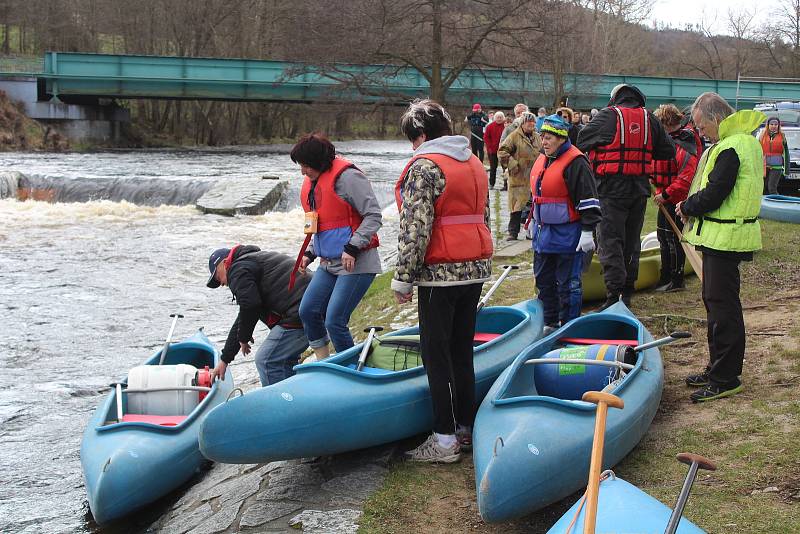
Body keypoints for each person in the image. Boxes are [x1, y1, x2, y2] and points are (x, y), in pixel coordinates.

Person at [393, 99, 493, 463]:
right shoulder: (473, 162)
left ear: (420, 135)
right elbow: (482, 215)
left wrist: (403, 278)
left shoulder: (425, 166)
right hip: (475, 268)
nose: (412, 147)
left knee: (436, 357)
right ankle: (465, 428)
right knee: (461, 352)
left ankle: (444, 440)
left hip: (439, 275)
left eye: (412, 139)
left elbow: (415, 228)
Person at [676, 92, 764, 403]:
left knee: (722, 306)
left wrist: (688, 206)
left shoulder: (732, 146)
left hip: (726, 238)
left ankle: (726, 376)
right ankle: (718, 368)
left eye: (701, 127)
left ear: (715, 118)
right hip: (722, 237)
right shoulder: (739, 142)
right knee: (716, 302)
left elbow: (716, 192)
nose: (700, 133)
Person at [577, 83, 675, 309]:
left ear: (615, 98)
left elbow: (581, 140)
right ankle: (627, 293)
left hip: (610, 190)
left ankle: (613, 296)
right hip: (639, 190)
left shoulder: (607, 116)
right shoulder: (650, 120)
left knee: (610, 242)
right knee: (631, 243)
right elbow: (668, 151)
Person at [291, 133, 383, 361]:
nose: (302, 171)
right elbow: (324, 223)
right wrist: (310, 253)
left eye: (305, 165)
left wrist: (352, 248)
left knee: (334, 320)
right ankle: (324, 361)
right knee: (308, 310)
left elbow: (373, 216)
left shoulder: (349, 178)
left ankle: (348, 367)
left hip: (357, 262)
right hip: (329, 263)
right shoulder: (313, 182)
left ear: (319, 162)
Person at [530, 115, 601, 334]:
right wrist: (530, 218)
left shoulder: (576, 162)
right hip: (543, 233)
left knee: (568, 285)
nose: (544, 141)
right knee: (543, 281)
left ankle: (569, 326)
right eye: (542, 136)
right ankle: (550, 322)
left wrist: (588, 231)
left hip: (569, 234)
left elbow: (588, 198)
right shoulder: (542, 158)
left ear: (562, 138)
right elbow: (534, 193)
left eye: (549, 137)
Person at [206, 245, 311, 386]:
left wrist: (244, 337)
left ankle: (279, 404)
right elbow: (244, 316)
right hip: (312, 304)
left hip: (300, 312)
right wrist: (225, 360)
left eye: (218, 277)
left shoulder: (237, 269)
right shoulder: (251, 262)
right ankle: (297, 401)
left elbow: (250, 306)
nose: (222, 284)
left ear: (225, 263)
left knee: (266, 360)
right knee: (284, 361)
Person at [651, 104, 703, 292]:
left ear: (668, 124)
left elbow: (686, 178)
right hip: (664, 197)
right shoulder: (665, 142)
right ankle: (665, 276)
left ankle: (676, 279)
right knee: (662, 237)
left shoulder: (684, 144)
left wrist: (665, 194)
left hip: (677, 200)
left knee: (674, 239)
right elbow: (655, 166)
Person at [499, 112, 543, 240]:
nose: (531, 124)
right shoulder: (514, 136)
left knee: (533, 205)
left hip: (534, 176)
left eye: (533, 122)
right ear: (523, 123)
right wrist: (513, 165)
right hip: (518, 176)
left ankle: (531, 232)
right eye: (528, 122)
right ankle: (513, 232)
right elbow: (502, 151)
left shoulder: (537, 137)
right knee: (516, 206)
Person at [759, 117, 789, 195]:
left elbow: (786, 152)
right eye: (771, 124)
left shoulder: (782, 135)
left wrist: (786, 169)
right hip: (764, 165)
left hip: (777, 166)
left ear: (778, 126)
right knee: (762, 188)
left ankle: (777, 205)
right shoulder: (762, 134)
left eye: (776, 124)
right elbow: (757, 149)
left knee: (771, 188)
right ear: (768, 125)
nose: (774, 126)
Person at [483, 111, 505, 189]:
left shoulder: (505, 126)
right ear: (495, 118)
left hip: (504, 151)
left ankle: (505, 185)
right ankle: (492, 184)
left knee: (505, 168)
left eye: (500, 117)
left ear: (503, 118)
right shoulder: (490, 126)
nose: (499, 119)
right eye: (497, 117)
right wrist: (490, 146)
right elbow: (486, 137)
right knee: (493, 168)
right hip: (493, 151)